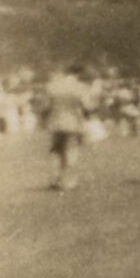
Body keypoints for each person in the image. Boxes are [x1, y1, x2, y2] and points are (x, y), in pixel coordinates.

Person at [42, 62, 91, 191]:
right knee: (71, 150)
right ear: (79, 74)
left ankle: (55, 179)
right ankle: (69, 181)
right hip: (74, 122)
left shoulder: (53, 86)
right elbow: (87, 106)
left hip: (55, 122)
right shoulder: (80, 87)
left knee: (56, 151)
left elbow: (46, 106)